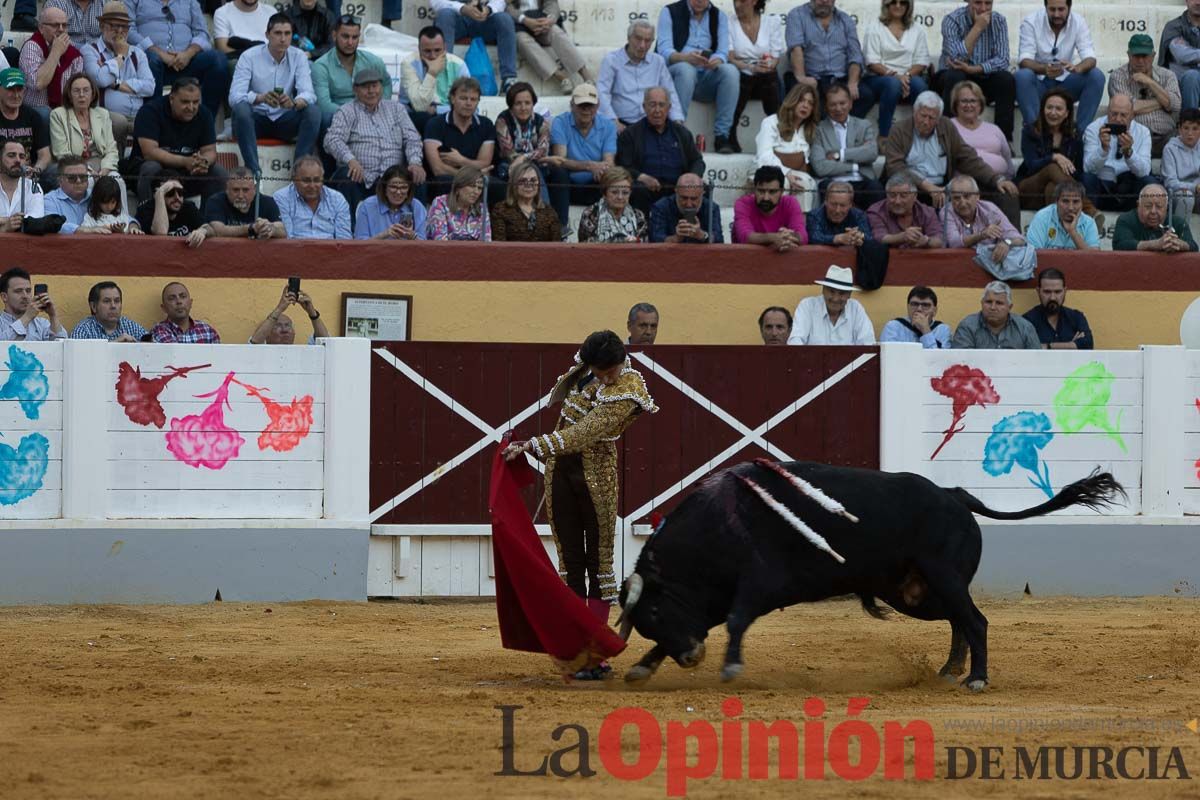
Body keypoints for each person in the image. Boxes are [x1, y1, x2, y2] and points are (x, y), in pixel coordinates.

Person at [501, 330, 658, 679]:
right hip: (560, 474)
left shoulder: (629, 385)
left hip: (596, 479)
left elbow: (585, 432)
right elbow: (565, 423)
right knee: (570, 562)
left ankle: (597, 654)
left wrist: (533, 445)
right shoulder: (582, 374)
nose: (609, 377)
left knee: (598, 562)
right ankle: (576, 648)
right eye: (603, 371)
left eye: (612, 370)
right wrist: (532, 445)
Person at [883, 90, 1020, 225]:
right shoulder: (899, 130)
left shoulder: (946, 126)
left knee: (1005, 192)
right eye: (922, 116)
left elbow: (967, 157)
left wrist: (996, 179)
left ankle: (1014, 240)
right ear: (914, 112)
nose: (926, 121)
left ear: (938, 118)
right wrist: (928, 187)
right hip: (910, 187)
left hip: (942, 187)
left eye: (931, 118)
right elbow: (895, 167)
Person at [230, 14, 320, 179]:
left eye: (287, 34)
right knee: (241, 109)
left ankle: (300, 172)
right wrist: (260, 98)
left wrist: (293, 103)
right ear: (267, 35)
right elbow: (235, 96)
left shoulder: (298, 56)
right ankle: (254, 172)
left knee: (313, 112)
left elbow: (309, 93)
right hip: (255, 120)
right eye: (278, 33)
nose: (283, 39)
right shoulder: (249, 56)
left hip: (285, 119)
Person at [324, 67, 424, 215]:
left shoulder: (396, 109)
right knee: (345, 175)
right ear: (355, 89)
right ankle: (348, 232)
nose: (371, 91)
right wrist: (351, 160)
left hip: (394, 177)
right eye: (365, 87)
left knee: (418, 176)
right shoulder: (346, 110)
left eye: (375, 86)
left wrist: (415, 162)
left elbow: (412, 138)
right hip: (362, 176)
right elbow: (331, 139)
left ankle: (418, 232)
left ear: (381, 87)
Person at [657, 0, 740, 154]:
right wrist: (684, 57)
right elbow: (663, 50)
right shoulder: (669, 12)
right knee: (686, 70)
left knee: (730, 71)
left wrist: (717, 60)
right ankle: (677, 130)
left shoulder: (719, 15)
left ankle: (722, 136)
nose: (700, 1)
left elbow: (722, 51)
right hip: (678, 70)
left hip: (706, 72)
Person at [125, 0, 230, 117]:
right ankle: (153, 120)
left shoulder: (190, 2)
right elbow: (128, 30)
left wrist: (188, 54)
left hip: (186, 63)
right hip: (151, 63)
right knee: (150, 59)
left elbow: (202, 33)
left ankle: (205, 120)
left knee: (217, 59)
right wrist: (160, 53)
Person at [132, 76, 226, 204]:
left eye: (196, 102)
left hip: (187, 172)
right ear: (172, 98)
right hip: (155, 171)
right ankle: (147, 216)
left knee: (218, 172)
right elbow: (149, 152)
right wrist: (185, 161)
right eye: (185, 102)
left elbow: (210, 151)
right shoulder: (150, 111)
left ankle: (209, 221)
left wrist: (204, 162)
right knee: (151, 167)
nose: (191, 107)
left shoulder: (204, 114)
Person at [1015, 0, 1104, 132]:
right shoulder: (1031, 22)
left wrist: (1077, 68)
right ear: (1045, 7)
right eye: (1052, 9)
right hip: (1040, 84)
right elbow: (1024, 59)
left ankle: (1080, 134)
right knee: (1022, 75)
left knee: (1096, 76)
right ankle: (1035, 132)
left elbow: (1090, 58)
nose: (1056, 14)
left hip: (1066, 85)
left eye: (1061, 9)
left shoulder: (1078, 22)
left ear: (1069, 7)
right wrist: (1044, 69)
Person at [616, 86, 705, 214]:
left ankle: (699, 233)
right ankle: (642, 232)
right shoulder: (630, 134)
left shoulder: (682, 133)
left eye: (661, 105)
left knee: (701, 188)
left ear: (668, 108)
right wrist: (642, 177)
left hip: (678, 190)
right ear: (644, 107)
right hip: (646, 189)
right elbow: (623, 166)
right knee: (637, 188)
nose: (657, 110)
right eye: (652, 105)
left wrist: (691, 178)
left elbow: (697, 160)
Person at [938, 0, 1015, 142]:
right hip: (954, 77)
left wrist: (974, 69)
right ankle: (947, 138)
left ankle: (1004, 140)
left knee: (1006, 79)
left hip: (983, 75)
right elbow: (956, 58)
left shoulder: (999, 20)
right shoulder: (952, 20)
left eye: (988, 3)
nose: (983, 8)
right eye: (978, 3)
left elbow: (1003, 60)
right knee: (955, 76)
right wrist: (977, 28)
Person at [1016, 88, 1097, 220]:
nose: (1053, 113)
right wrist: (1055, 157)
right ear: (1043, 110)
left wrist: (1063, 172)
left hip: (1056, 195)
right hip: (1029, 189)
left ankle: (1059, 234)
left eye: (1058, 109)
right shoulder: (1030, 131)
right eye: (1049, 108)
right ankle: (1088, 209)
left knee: (1053, 188)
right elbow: (1031, 165)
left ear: (1066, 113)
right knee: (1053, 167)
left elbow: (1078, 170)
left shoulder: (1075, 134)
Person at [82, 2, 155, 146]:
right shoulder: (90, 50)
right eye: (114, 26)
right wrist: (120, 56)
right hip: (104, 114)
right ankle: (117, 164)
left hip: (136, 115)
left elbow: (150, 87)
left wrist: (116, 84)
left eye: (125, 27)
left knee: (152, 121)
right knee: (119, 122)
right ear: (102, 26)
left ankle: (137, 164)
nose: (120, 31)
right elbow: (101, 80)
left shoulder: (137, 53)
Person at [544, 82, 616, 229]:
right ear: (572, 105)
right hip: (567, 185)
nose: (586, 110)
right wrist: (590, 166)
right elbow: (559, 160)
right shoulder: (560, 122)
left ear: (597, 106)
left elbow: (609, 162)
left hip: (593, 184)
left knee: (610, 174)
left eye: (590, 105)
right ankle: (561, 227)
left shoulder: (608, 126)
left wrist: (600, 168)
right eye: (581, 105)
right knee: (558, 171)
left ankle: (607, 228)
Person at [785, 0, 873, 117]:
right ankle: (823, 132)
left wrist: (852, 82)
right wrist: (802, 77)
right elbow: (796, 49)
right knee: (812, 103)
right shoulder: (797, 15)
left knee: (866, 95)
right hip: (812, 77)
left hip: (840, 78)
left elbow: (855, 54)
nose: (824, 1)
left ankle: (845, 131)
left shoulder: (845, 19)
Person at [861, 0, 931, 138]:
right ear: (886, 5)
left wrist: (906, 76)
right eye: (893, 2)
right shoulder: (875, 27)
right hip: (878, 77)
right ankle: (884, 136)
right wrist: (896, 77)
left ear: (908, 6)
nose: (898, 6)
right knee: (892, 84)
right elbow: (871, 62)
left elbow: (921, 61)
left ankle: (922, 134)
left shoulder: (917, 29)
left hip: (908, 75)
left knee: (920, 86)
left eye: (903, 2)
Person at [50, 73, 123, 203]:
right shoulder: (58, 115)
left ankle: (122, 220)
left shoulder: (102, 114)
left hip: (101, 165)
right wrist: (88, 171)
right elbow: (62, 153)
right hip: (76, 167)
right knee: (86, 182)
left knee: (117, 180)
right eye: (76, 91)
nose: (82, 95)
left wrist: (104, 170)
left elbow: (111, 149)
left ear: (93, 94)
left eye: (86, 90)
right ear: (69, 95)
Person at [597, 21, 684, 129]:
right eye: (638, 39)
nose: (642, 45)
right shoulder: (611, 61)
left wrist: (677, 120)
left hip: (651, 125)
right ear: (629, 38)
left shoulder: (658, 61)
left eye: (647, 41)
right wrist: (613, 121)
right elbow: (602, 93)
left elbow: (670, 92)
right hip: (621, 124)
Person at [809, 83, 882, 209]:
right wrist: (855, 164)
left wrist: (839, 155)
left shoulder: (863, 125)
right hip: (833, 182)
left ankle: (875, 228)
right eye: (833, 104)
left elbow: (871, 153)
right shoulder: (819, 130)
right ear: (826, 107)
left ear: (850, 104)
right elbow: (820, 167)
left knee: (876, 188)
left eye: (842, 103)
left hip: (861, 180)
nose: (838, 108)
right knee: (825, 188)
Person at [313, 14, 392, 130]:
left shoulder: (373, 61)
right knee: (326, 118)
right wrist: (356, 115)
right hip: (340, 118)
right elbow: (324, 105)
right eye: (345, 37)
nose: (350, 42)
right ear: (334, 36)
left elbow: (386, 83)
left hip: (372, 114)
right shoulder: (321, 66)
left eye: (355, 37)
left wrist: (380, 107)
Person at [423, 77, 497, 198]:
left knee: (498, 186)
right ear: (452, 99)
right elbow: (438, 169)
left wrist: (460, 160)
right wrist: (473, 176)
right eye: (463, 98)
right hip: (445, 181)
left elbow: (484, 164)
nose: (468, 103)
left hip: (474, 180)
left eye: (473, 99)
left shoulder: (486, 125)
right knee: (444, 180)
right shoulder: (435, 124)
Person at [1081, 94, 1156, 213]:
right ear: (1107, 111)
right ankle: (1092, 217)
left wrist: (1129, 153)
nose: (1118, 119)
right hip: (1101, 186)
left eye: (1123, 115)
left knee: (1149, 182)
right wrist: (1103, 149)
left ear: (1132, 115)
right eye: (1114, 114)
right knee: (1087, 178)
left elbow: (1144, 172)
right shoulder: (1094, 128)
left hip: (1128, 188)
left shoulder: (1143, 132)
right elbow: (1088, 168)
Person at [1110, 34, 1181, 159]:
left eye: (1145, 56)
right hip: (1134, 138)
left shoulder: (1167, 75)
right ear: (1129, 55)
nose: (1140, 61)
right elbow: (1130, 107)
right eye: (1136, 56)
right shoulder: (1118, 76)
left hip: (1167, 137)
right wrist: (1162, 102)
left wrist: (1150, 82)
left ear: (1153, 56)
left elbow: (1175, 105)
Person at [728, 0, 784, 153]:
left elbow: (775, 56)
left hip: (765, 74)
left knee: (770, 77)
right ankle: (730, 133)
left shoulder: (772, 22)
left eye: (742, 1)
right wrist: (751, 67)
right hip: (742, 72)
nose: (737, 5)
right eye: (735, 1)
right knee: (745, 78)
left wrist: (769, 65)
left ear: (754, 1)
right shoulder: (729, 23)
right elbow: (730, 57)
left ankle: (777, 130)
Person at [506, 0, 593, 95]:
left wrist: (549, 20)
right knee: (522, 40)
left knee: (555, 31)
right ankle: (562, 78)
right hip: (519, 24)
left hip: (542, 20)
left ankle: (587, 77)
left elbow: (552, 3)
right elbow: (506, 6)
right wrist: (525, 20)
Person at [432, 0, 518, 94]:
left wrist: (488, 9)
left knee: (504, 19)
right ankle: (443, 75)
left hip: (483, 20)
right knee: (445, 15)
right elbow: (436, 2)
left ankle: (508, 80)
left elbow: (500, 1)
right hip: (457, 19)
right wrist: (463, 8)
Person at [755, 83, 818, 210]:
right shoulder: (772, 122)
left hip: (797, 173)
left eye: (810, 103)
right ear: (792, 101)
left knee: (804, 184)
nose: (805, 105)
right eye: (801, 100)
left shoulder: (810, 130)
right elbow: (764, 155)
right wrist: (786, 172)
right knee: (783, 183)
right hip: (768, 171)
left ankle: (799, 226)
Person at [18, 7, 84, 121]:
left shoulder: (74, 54)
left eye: (64, 25)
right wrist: (55, 52)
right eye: (55, 25)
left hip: (65, 109)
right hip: (34, 111)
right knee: (45, 114)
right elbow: (37, 83)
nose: (61, 29)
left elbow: (77, 89)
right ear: (41, 28)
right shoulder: (32, 46)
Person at [397, 25, 465, 132]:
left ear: (445, 48)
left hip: (448, 115)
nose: (433, 56)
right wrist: (432, 73)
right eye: (427, 51)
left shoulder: (458, 65)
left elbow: (466, 104)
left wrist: (437, 110)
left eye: (437, 50)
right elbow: (419, 106)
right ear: (419, 50)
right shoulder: (409, 63)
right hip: (415, 116)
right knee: (423, 118)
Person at [787, 264, 875, 345]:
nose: (835, 299)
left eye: (842, 293)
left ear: (849, 295)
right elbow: (795, 342)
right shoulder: (808, 306)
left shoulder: (855, 309)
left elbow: (868, 343)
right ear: (823, 290)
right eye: (831, 291)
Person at [940, 175, 1023, 254]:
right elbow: (954, 243)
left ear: (977, 196)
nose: (963, 203)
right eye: (956, 198)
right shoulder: (946, 211)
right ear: (951, 199)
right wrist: (982, 235)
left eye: (967, 196)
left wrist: (1006, 243)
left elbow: (1018, 238)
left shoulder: (989, 209)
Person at [273, 154, 351, 238]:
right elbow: (286, 238)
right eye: (306, 181)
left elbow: (344, 240)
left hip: (330, 251)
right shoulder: (281, 198)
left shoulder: (337, 199)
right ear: (294, 179)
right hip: (296, 250)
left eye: (317, 180)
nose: (312, 186)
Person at [732, 164, 807, 249]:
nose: (766, 197)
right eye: (761, 191)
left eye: (772, 192)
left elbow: (803, 237)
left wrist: (788, 237)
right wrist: (773, 238)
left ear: (782, 191)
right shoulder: (743, 204)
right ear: (754, 189)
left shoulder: (790, 203)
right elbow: (745, 237)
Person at [201, 166, 286, 240]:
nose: (240, 195)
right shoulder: (216, 201)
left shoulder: (268, 202)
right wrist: (251, 228)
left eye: (245, 190)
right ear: (227, 189)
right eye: (236, 190)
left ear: (255, 189)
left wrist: (270, 228)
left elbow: (283, 230)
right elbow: (218, 231)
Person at [949, 81, 1013, 179]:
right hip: (964, 186)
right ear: (956, 104)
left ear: (980, 104)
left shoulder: (994, 129)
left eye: (973, 101)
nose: (968, 105)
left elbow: (1007, 158)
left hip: (998, 183)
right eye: (964, 101)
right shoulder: (949, 126)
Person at [493, 80, 550, 189]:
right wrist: (526, 159)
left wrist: (524, 157)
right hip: (508, 165)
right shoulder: (502, 121)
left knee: (541, 171)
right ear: (511, 105)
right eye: (518, 103)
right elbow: (509, 153)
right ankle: (541, 206)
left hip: (536, 165)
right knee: (531, 170)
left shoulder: (541, 122)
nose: (523, 108)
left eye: (527, 103)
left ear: (533, 103)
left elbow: (543, 151)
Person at [951, 281, 1040, 350]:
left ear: (1010, 307)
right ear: (982, 303)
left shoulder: (1025, 328)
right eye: (988, 302)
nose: (993, 307)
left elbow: (1037, 362)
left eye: (999, 303)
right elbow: (960, 364)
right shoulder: (967, 327)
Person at [1113, 183, 1199, 253]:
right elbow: (1121, 245)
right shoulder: (1125, 220)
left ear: (1166, 207)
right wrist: (1155, 244)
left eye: (1159, 206)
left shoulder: (1178, 222)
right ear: (1138, 205)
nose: (1153, 211)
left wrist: (1179, 244)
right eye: (1148, 206)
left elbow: (1193, 247)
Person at [0, 69, 52, 180]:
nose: (16, 95)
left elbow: (45, 155)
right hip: (2, 174)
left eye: (20, 89)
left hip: (27, 174)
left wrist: (36, 170)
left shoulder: (33, 117)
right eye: (10, 89)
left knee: (58, 172)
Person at [1022, 268, 1092, 350]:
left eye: (1057, 292)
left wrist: (1048, 346)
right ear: (1038, 291)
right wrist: (1071, 345)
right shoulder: (1027, 321)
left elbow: (1087, 344)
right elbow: (1024, 349)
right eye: (1047, 292)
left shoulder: (1076, 318)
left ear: (1065, 291)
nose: (1052, 298)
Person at [490, 159, 560, 242]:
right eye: (523, 181)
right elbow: (499, 245)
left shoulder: (549, 212)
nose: (529, 185)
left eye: (533, 180)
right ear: (514, 184)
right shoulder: (501, 210)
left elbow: (557, 245)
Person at [868, 172, 943, 248]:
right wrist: (903, 237)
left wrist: (926, 241)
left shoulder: (927, 212)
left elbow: (939, 240)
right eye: (892, 195)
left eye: (903, 196)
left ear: (915, 196)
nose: (897, 201)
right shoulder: (876, 211)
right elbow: (879, 238)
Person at [354, 164, 427, 240]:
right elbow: (360, 244)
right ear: (384, 188)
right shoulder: (367, 206)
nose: (398, 192)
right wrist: (385, 234)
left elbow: (424, 246)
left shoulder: (417, 206)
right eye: (393, 187)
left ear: (409, 190)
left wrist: (412, 236)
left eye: (404, 187)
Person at [577, 167, 647, 243]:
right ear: (604, 193)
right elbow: (585, 246)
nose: (620, 197)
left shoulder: (638, 215)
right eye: (614, 192)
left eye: (625, 193)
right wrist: (620, 241)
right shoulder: (590, 214)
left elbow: (644, 245)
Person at [1025, 180, 1100, 250]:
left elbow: (1094, 259)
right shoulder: (1042, 217)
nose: (1070, 207)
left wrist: (1073, 232)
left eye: (1076, 201)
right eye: (1065, 201)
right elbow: (1033, 255)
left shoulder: (1089, 223)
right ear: (1057, 202)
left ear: (1082, 203)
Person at [649, 171, 722, 243]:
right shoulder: (661, 207)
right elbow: (655, 240)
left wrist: (701, 235)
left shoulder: (711, 208)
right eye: (684, 198)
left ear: (702, 194)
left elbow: (719, 239)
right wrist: (676, 238)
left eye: (694, 199)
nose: (688, 204)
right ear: (676, 191)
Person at [426, 164, 491, 241]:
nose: (476, 192)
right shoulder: (440, 203)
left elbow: (486, 242)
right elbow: (440, 241)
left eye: (479, 188)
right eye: (472, 186)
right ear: (458, 187)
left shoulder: (482, 209)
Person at [0, 267, 66, 341]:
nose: (25, 296)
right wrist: (27, 317)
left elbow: (63, 347)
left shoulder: (42, 324)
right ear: (4, 297)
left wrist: (53, 316)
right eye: (18, 291)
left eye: (28, 291)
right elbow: (3, 346)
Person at [70, 280, 148, 341]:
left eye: (117, 301)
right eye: (106, 301)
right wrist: (114, 344)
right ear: (93, 306)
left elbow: (153, 348)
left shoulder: (131, 326)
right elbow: (77, 357)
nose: (113, 306)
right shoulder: (83, 330)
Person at [249, 286, 329, 344]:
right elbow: (254, 343)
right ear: (267, 335)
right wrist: (279, 308)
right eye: (278, 326)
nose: (284, 330)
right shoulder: (260, 351)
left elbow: (326, 342)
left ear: (294, 333)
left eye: (287, 325)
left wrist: (312, 313)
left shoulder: (304, 352)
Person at [1160, 0, 1200, 112]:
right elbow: (1182, 55)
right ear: (1186, 1)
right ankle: (1190, 124)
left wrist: (1191, 52)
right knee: (1192, 77)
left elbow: (1187, 54)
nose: (1198, 2)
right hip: (1179, 85)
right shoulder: (1173, 26)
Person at [879, 285, 951, 348]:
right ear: (908, 307)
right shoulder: (893, 327)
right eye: (914, 304)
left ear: (934, 310)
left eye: (925, 305)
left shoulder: (942, 330)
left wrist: (926, 330)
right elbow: (889, 357)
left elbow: (939, 359)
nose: (919, 309)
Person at [805, 179, 871, 246]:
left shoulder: (859, 215)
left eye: (842, 205)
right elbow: (813, 238)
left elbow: (869, 238)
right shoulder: (814, 215)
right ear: (825, 201)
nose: (837, 210)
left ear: (850, 205)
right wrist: (838, 238)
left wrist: (859, 236)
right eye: (833, 204)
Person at [137, 171, 203, 237]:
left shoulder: (188, 207)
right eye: (170, 193)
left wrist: (203, 231)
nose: (177, 197)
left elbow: (207, 228)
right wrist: (160, 192)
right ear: (156, 195)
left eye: (180, 192)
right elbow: (161, 233)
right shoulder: (146, 210)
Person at [151, 281, 220, 343]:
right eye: (172, 298)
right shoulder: (158, 332)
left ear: (190, 303)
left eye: (183, 296)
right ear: (164, 308)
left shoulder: (208, 332)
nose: (179, 302)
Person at [1163, 108, 1200, 219]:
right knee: (1186, 197)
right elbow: (1170, 182)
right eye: (1186, 128)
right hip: (1178, 194)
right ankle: (1180, 234)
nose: (1190, 133)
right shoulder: (1170, 149)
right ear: (1179, 129)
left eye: (1195, 129)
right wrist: (1195, 187)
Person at [0, 140, 43, 231]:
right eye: (11, 155)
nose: (18, 160)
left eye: (22, 156)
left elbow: (35, 220)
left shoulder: (33, 187)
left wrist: (3, 222)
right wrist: (5, 228)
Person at [42, 154, 91, 232]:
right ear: (60, 181)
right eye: (72, 178)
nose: (78, 181)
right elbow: (51, 224)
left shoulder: (96, 197)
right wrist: (80, 230)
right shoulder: (50, 200)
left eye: (83, 177)